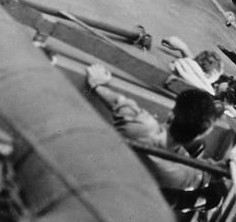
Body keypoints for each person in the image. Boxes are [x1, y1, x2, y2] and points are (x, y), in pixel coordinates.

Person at [85, 62, 223, 192]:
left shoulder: (143, 125)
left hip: (92, 173)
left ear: (171, 116)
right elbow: (203, 176)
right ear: (198, 136)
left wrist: (96, 85)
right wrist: (225, 165)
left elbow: (120, 102)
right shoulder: (180, 175)